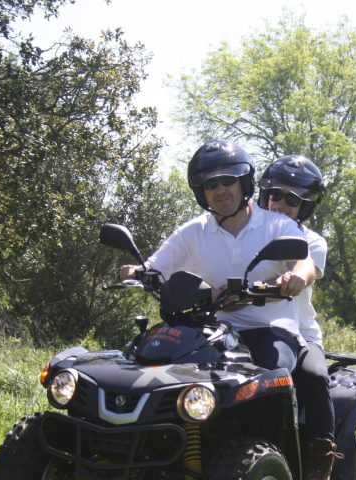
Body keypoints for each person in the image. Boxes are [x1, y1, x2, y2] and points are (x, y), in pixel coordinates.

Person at [119, 139, 333, 477]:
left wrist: (296, 276)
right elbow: (157, 265)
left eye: (227, 180)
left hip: (271, 330)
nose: (220, 190)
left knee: (274, 372)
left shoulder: (277, 226)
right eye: (210, 184)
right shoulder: (192, 232)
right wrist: (137, 272)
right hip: (211, 331)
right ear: (201, 192)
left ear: (244, 183)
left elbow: (304, 260)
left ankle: (297, 459)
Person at [257, 154, 339, 479]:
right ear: (264, 194)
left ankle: (321, 459)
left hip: (299, 334)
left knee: (316, 377)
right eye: (275, 194)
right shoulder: (243, 232)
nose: (281, 203)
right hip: (243, 329)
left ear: (304, 207)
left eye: (292, 199)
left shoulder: (312, 240)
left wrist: (295, 277)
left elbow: (307, 266)